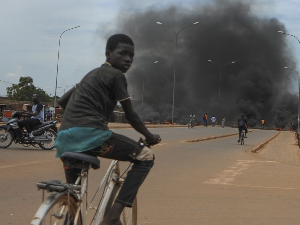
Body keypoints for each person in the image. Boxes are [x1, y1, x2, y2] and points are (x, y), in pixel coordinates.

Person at [54, 34, 161, 225]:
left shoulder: (90, 75)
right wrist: (149, 135)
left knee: (74, 199)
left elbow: (62, 101)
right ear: (108, 53)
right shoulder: (117, 76)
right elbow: (130, 115)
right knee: (145, 157)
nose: (128, 59)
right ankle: (112, 217)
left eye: (131, 56)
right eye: (123, 53)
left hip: (64, 138)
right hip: (91, 135)